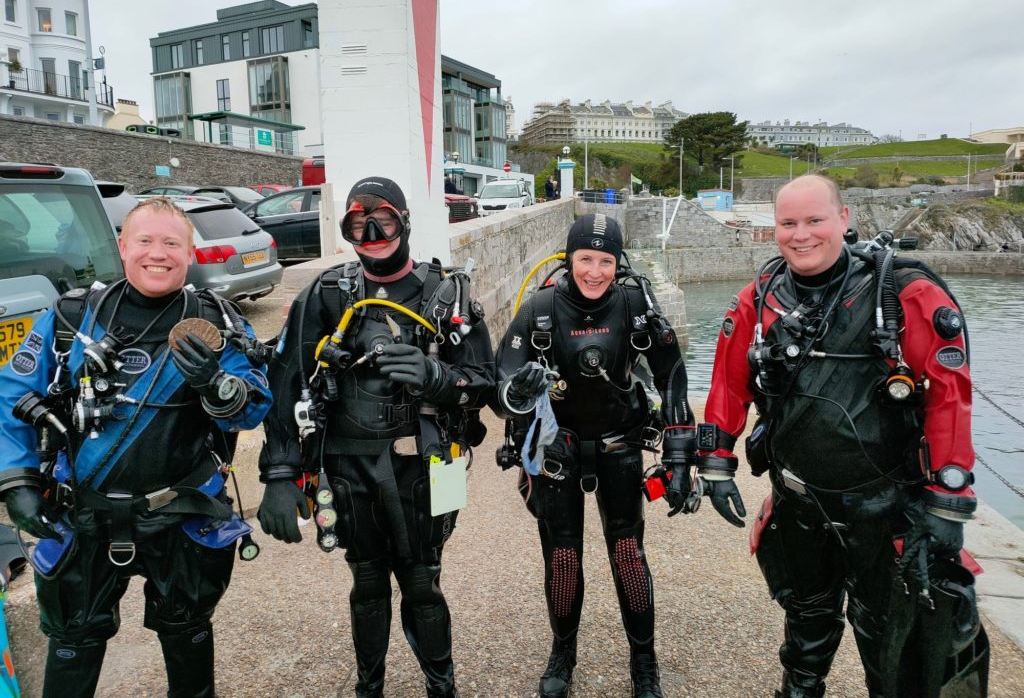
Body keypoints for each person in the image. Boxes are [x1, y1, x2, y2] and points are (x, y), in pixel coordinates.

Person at [701, 175, 980, 698]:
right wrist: (716, 461)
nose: (801, 235)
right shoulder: (756, 300)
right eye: (788, 223)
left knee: (887, 637)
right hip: (799, 501)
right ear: (774, 229)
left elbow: (950, 397)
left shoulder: (905, 295)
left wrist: (949, 502)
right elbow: (727, 385)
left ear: (844, 219)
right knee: (806, 621)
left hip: (886, 505)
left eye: (814, 220)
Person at [0, 197, 272, 698]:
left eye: (172, 243)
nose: (158, 254)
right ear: (122, 246)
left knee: (188, 645)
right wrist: (16, 482)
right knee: (71, 649)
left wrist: (219, 386)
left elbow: (257, 403)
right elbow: (12, 396)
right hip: (81, 516)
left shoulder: (217, 322)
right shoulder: (70, 319)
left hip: (181, 516)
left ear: (189, 253)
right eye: (144, 240)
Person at [257, 176, 494, 698]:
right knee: (366, 584)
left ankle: (442, 688)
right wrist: (278, 473)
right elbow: (285, 383)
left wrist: (439, 379)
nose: (372, 233)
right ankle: (370, 689)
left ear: (405, 221)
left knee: (424, 583)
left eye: (382, 219)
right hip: (347, 465)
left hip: (437, 465)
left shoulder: (448, 292)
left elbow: (487, 384)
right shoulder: (325, 294)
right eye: (357, 223)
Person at [492, 213, 697, 698]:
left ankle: (643, 662)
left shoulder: (635, 306)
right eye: (585, 258)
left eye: (606, 260)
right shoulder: (539, 309)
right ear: (569, 258)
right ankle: (563, 653)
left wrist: (681, 454)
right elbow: (501, 383)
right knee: (562, 557)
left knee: (628, 554)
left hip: (620, 448)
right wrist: (519, 393)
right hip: (557, 452)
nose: (595, 271)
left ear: (617, 261)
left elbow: (672, 374)